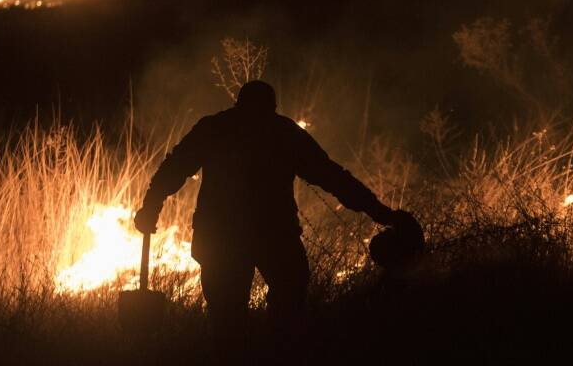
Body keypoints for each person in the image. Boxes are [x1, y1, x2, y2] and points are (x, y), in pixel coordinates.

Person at [134, 80, 416, 356]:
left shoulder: (216, 128)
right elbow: (332, 177)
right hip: (272, 234)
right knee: (287, 306)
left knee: (228, 323)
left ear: (238, 104)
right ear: (273, 107)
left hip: (223, 237)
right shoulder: (282, 132)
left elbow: (173, 168)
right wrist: (380, 212)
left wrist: (150, 208)